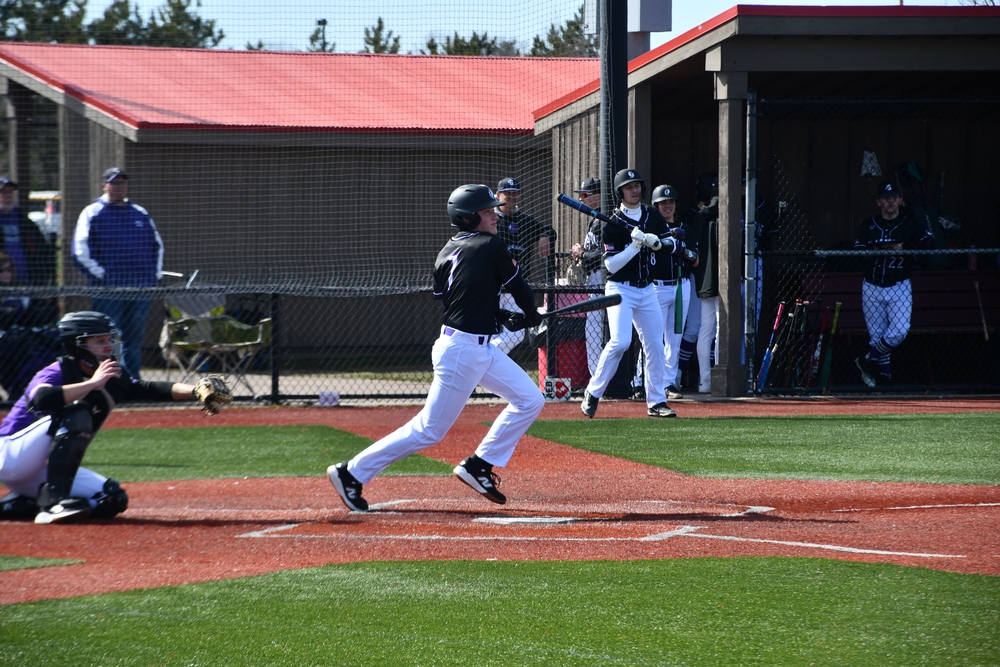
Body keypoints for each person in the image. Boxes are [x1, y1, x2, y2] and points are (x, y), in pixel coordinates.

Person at [327, 184, 545, 512]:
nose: (494, 216)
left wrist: (504, 317)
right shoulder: (490, 245)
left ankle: (479, 465)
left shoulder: (447, 251)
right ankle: (351, 472)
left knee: (530, 400)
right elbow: (519, 287)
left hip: (476, 348)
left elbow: (464, 301)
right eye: (487, 212)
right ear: (468, 217)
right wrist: (531, 314)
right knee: (429, 430)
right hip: (463, 352)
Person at [0, 311, 224, 524]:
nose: (108, 346)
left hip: (38, 471)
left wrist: (196, 390)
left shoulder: (112, 375)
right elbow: (41, 398)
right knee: (78, 411)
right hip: (10, 453)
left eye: (109, 339)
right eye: (99, 341)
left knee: (110, 499)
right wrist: (92, 384)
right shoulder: (57, 370)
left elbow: (147, 388)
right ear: (76, 345)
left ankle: (17, 504)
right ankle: (53, 504)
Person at [580, 168, 680, 419]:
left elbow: (672, 244)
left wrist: (657, 243)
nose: (634, 190)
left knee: (655, 345)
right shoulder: (612, 224)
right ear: (620, 192)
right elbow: (611, 265)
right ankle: (593, 391)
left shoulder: (651, 215)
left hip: (647, 289)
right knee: (621, 342)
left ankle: (656, 401)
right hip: (620, 289)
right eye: (628, 187)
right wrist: (635, 245)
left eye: (636, 186)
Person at [73, 168, 164, 379]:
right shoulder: (92, 212)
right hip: (108, 290)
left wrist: (154, 275)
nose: (118, 187)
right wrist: (104, 275)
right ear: (104, 186)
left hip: (141, 288)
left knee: (134, 340)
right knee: (106, 339)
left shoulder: (140, 212)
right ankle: (109, 381)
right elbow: (80, 251)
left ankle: (133, 381)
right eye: (114, 183)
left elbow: (157, 246)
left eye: (122, 183)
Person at [853, 180, 935, 387]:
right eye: (886, 198)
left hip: (899, 285)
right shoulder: (870, 224)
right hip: (872, 284)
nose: (890, 202)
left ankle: (867, 359)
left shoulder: (909, 224)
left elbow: (929, 244)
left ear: (900, 200)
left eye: (894, 198)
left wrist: (904, 248)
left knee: (899, 331)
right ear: (878, 202)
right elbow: (857, 250)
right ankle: (884, 380)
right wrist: (876, 249)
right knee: (878, 336)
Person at [491, 177, 557, 354]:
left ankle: (482, 360)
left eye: (515, 193)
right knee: (487, 330)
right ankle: (482, 361)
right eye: (507, 193)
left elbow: (549, 230)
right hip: (493, 285)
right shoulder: (492, 220)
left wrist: (544, 236)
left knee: (516, 334)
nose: (512, 197)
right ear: (498, 195)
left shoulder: (525, 220)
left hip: (516, 286)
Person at [650, 184, 694, 400]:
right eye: (663, 203)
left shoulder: (685, 229)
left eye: (671, 202)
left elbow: (696, 260)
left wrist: (681, 248)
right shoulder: (650, 229)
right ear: (655, 206)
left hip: (680, 286)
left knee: (674, 338)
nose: (667, 206)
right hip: (657, 287)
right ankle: (643, 381)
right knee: (653, 337)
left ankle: (668, 382)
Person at [676, 173, 719, 394]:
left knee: (700, 330)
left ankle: (704, 378)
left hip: (700, 277)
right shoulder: (693, 216)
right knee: (698, 329)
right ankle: (679, 374)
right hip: (695, 276)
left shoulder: (708, 214)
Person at [575, 177, 607, 376]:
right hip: (594, 279)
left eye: (586, 194)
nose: (583, 199)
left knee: (596, 328)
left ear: (599, 195)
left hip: (603, 279)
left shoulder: (604, 218)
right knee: (594, 328)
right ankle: (597, 377)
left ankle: (598, 377)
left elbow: (605, 254)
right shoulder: (594, 219)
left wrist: (582, 254)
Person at [0, 176, 54, 286]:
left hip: (27, 284)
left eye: (10, 192)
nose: (8, 196)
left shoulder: (25, 222)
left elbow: (42, 250)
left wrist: (43, 278)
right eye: (3, 192)